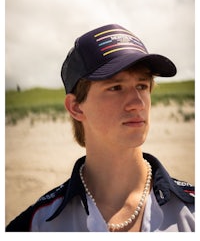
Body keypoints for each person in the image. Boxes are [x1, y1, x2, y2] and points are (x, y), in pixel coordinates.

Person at [6, 23, 195, 232]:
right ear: (76, 107)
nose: (138, 103)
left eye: (142, 86)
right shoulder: (37, 226)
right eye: (115, 87)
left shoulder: (191, 213)